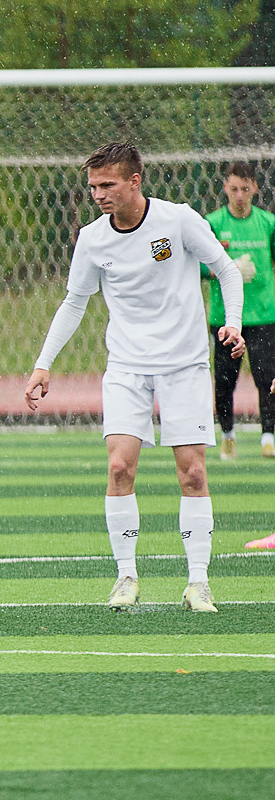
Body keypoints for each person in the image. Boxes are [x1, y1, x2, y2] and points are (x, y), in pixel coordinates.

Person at [28, 142, 245, 612]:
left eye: (107, 185)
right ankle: (126, 576)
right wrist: (44, 363)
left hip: (185, 364)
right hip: (126, 366)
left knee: (192, 472)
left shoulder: (178, 219)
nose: (99, 194)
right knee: (119, 467)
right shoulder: (92, 239)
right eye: (92, 187)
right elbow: (75, 301)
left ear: (134, 181)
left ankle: (198, 582)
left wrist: (233, 323)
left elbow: (225, 270)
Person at [205, 162, 275, 460]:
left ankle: (268, 436)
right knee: (224, 380)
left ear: (255, 189)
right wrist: (226, 269)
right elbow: (197, 265)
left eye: (245, 189)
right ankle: (228, 435)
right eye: (234, 189)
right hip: (225, 320)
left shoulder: (268, 223)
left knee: (267, 378)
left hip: (263, 315)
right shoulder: (213, 223)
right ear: (225, 188)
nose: (240, 195)